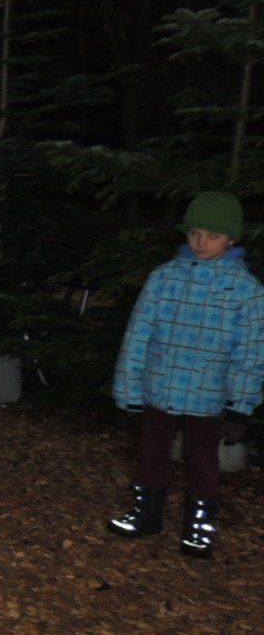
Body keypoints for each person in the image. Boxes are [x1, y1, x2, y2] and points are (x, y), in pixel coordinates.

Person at [109, 192, 264, 558]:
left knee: (201, 459)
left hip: (208, 393)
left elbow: (251, 350)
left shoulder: (246, 291)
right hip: (159, 385)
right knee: (151, 451)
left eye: (213, 236)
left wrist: (240, 405)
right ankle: (147, 512)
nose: (201, 243)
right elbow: (138, 334)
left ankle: (200, 524)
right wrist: (129, 388)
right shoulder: (164, 278)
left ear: (231, 239)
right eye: (195, 233)